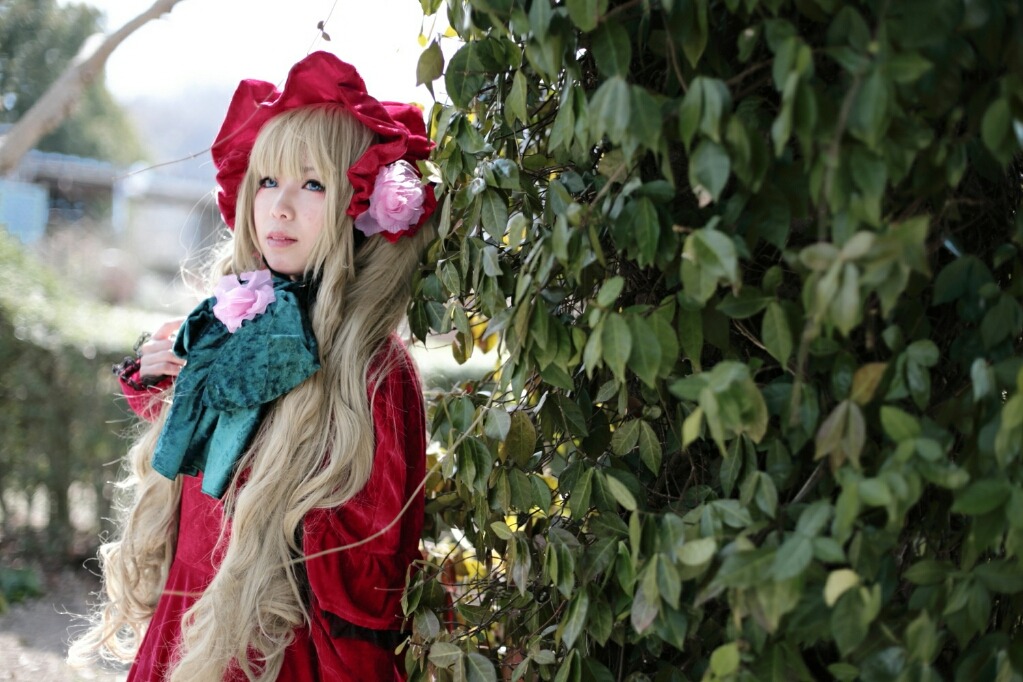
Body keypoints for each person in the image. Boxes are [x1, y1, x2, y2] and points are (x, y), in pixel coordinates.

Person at [69, 51, 437, 681]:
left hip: (274, 643)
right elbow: (200, 453)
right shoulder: (228, 317)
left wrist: (276, 479)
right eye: (268, 181)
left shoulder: (374, 366)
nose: (280, 207)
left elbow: (370, 562)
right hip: (188, 621)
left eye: (312, 184)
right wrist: (174, 378)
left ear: (362, 203)